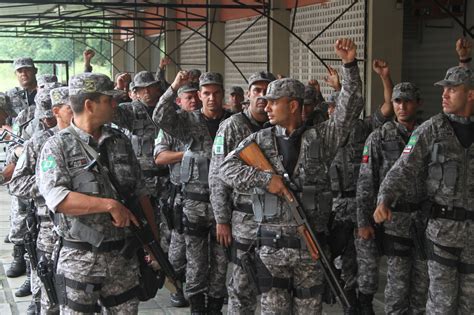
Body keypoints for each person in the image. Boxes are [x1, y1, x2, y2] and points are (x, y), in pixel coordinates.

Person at [219, 38, 364, 314]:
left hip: (310, 250)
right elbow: (226, 168)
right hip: (271, 250)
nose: (267, 107)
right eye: (265, 102)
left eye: (274, 102)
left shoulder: (321, 137)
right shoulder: (259, 141)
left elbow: (350, 109)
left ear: (294, 106)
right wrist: (265, 180)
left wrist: (349, 65)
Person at [37, 72, 157, 314]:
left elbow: (140, 192)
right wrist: (110, 205)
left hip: (122, 257)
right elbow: (57, 198)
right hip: (80, 259)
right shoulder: (56, 146)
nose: (115, 104)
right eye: (109, 100)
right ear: (89, 105)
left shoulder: (119, 140)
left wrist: (153, 242)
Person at [374, 65, 473, 314]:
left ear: (470, 94)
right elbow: (402, 169)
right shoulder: (432, 129)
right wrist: (384, 199)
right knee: (441, 304)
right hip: (442, 233)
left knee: (469, 304)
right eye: (444, 89)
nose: (445, 94)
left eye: (452, 89)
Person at [153, 71, 231, 314]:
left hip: (226, 208)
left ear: (222, 95)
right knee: (196, 263)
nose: (211, 98)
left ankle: (215, 307)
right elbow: (159, 117)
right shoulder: (188, 121)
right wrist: (174, 85)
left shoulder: (233, 122)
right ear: (199, 95)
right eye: (206, 93)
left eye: (216, 93)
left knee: (220, 263)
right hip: (195, 205)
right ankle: (197, 308)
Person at [328, 59, 394, 315]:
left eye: (339, 107)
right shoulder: (323, 134)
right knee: (344, 263)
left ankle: (365, 303)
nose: (336, 112)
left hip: (361, 206)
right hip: (336, 207)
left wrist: (384, 78)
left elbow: (388, 108)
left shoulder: (364, 127)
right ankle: (350, 304)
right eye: (332, 107)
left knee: (368, 264)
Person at [357, 81, 428, 314]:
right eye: (397, 101)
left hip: (424, 221)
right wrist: (364, 222)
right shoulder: (379, 138)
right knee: (397, 289)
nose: (402, 106)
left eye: (408, 101)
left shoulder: (427, 136)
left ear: (418, 103)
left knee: (421, 288)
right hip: (394, 222)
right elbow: (366, 183)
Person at [210, 71, 276, 314]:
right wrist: (222, 220)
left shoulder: (277, 126)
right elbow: (217, 176)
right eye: (256, 90)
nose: (261, 96)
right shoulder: (232, 126)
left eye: (266, 90)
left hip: (275, 220)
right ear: (248, 95)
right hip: (244, 218)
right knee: (242, 283)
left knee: (274, 286)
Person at [9, 86, 61, 314]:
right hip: (40, 209)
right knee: (37, 252)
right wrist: (52, 184)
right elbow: (17, 181)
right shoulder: (34, 132)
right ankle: (37, 295)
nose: (49, 120)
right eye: (46, 116)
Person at [153, 82, 200, 307]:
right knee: (177, 250)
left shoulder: (207, 123)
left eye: (195, 96)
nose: (194, 101)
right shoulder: (172, 126)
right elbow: (160, 157)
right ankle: (175, 286)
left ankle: (200, 288)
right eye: (188, 97)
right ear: (179, 102)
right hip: (180, 195)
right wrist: (187, 154)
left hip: (204, 196)